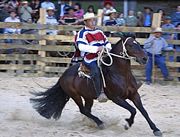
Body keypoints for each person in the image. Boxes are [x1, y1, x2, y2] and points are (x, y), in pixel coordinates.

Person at [76, 12, 112, 102]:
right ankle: (99, 93)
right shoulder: (82, 33)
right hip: (90, 58)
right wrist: (97, 49)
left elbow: (107, 42)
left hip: (103, 55)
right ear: (86, 22)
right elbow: (81, 47)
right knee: (96, 71)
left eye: (93, 20)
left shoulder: (99, 31)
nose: (93, 22)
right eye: (90, 20)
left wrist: (106, 48)